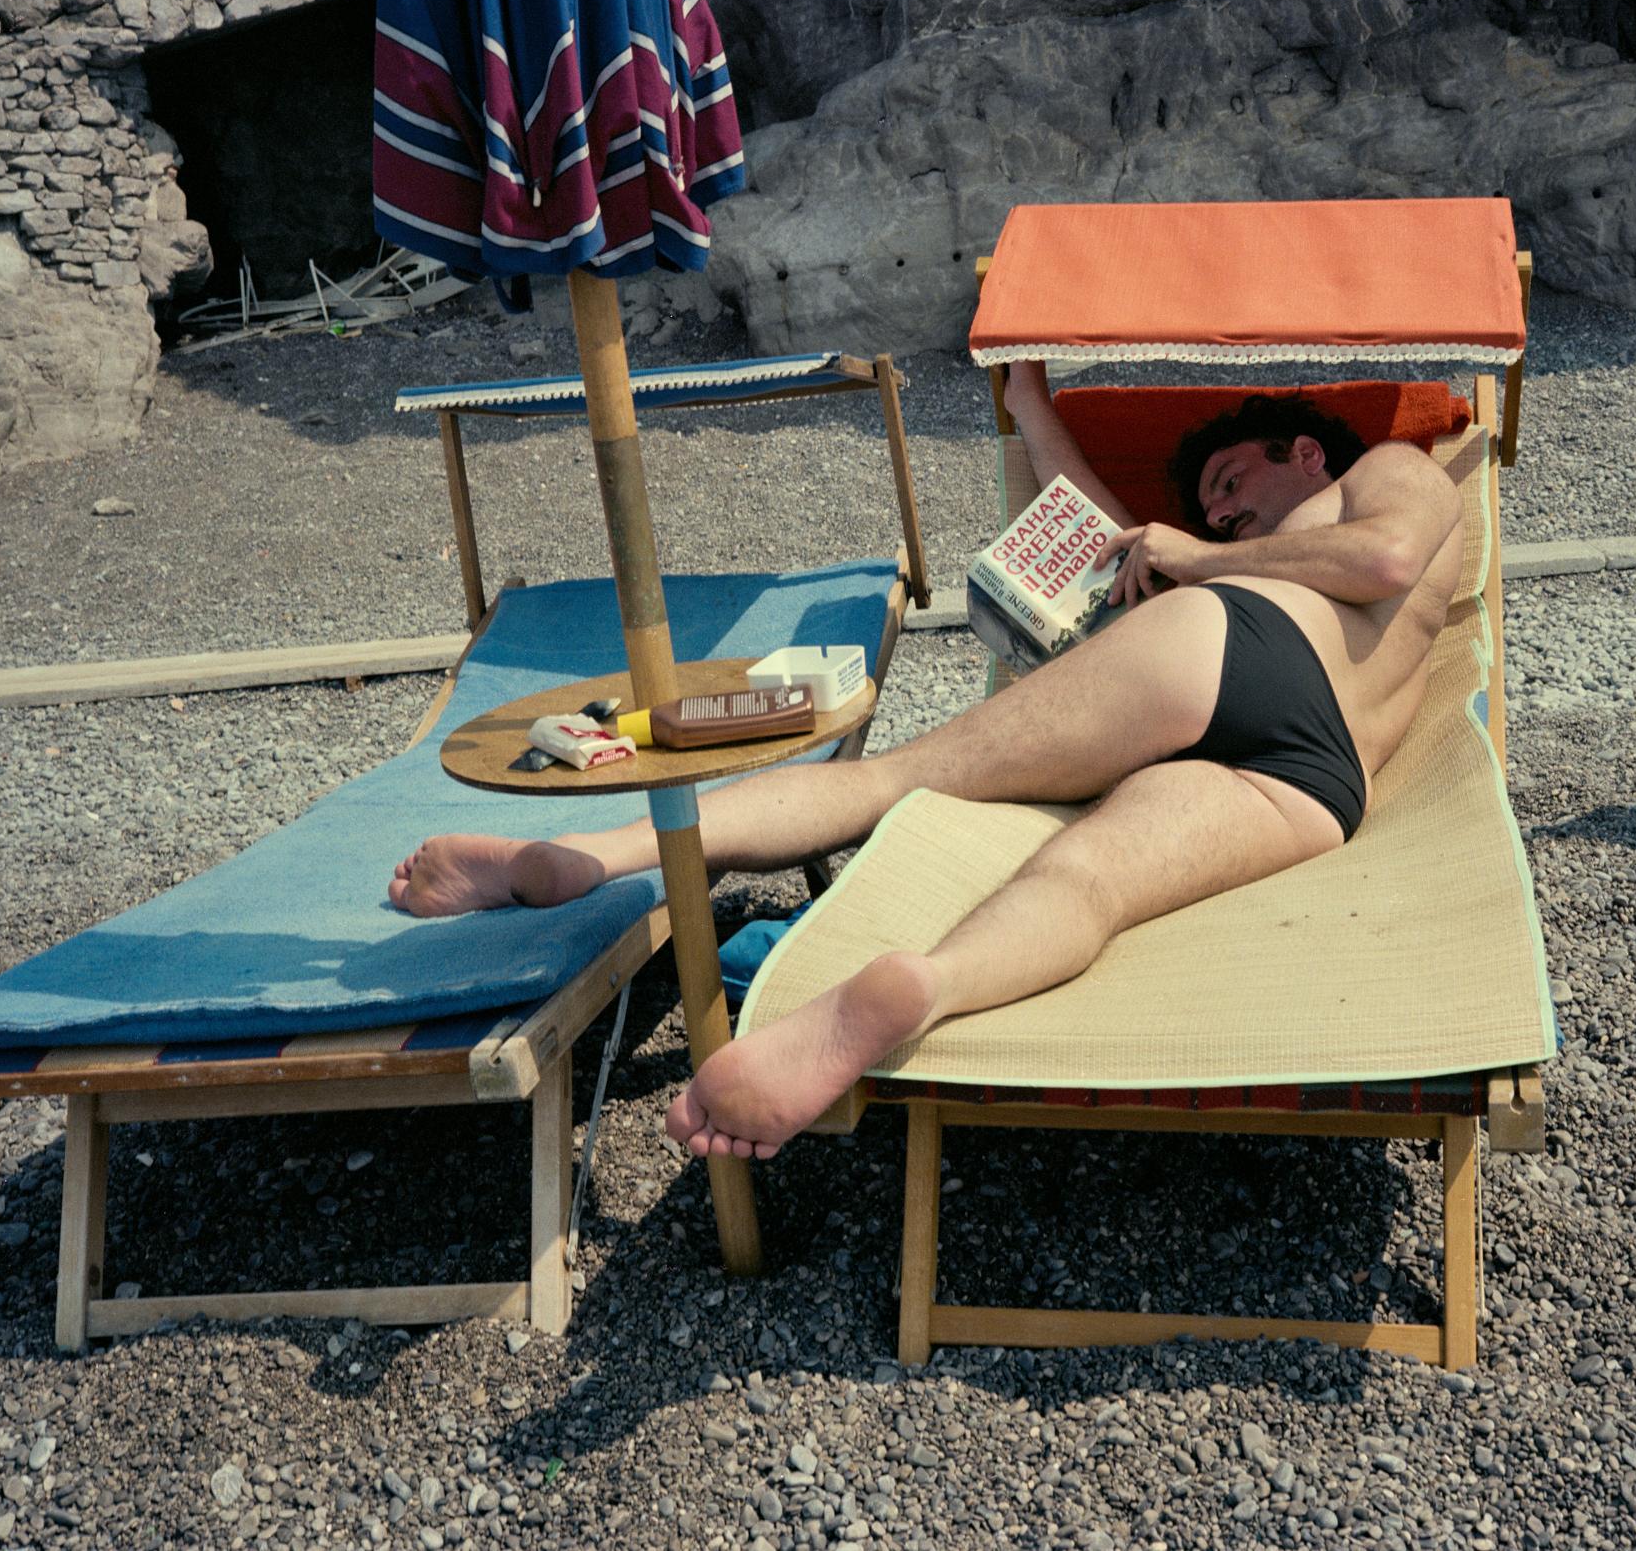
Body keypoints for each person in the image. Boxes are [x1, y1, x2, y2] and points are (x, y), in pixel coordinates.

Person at [388, 361, 1463, 1159]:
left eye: (1231, 478)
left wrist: (1206, 554)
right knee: (1080, 884)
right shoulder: (1227, 547)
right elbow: (1103, 528)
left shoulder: (1386, 469)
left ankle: (629, 865)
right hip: (1318, 781)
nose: (1218, 506)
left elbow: (1384, 557)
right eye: (1211, 503)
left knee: (906, 783)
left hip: (1248, 664)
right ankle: (892, 973)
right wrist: (1032, 405)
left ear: (1305, 453)